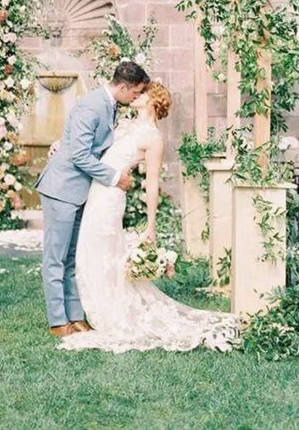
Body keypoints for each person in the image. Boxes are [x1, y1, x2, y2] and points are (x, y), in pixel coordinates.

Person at [60, 81, 240, 353]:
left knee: (100, 254)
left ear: (153, 100)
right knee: (89, 253)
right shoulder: (124, 125)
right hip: (96, 192)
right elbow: (92, 146)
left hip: (109, 199)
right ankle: (99, 309)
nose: (135, 94)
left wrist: (151, 226)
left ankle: (110, 315)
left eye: (142, 92)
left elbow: (152, 183)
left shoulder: (153, 138)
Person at [36, 61, 148, 337]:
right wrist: (114, 177)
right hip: (61, 189)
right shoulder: (92, 105)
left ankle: (75, 316)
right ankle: (57, 320)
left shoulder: (109, 106)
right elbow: (80, 155)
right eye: (135, 92)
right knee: (55, 258)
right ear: (122, 86)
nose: (136, 97)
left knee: (71, 257)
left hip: (78, 192)